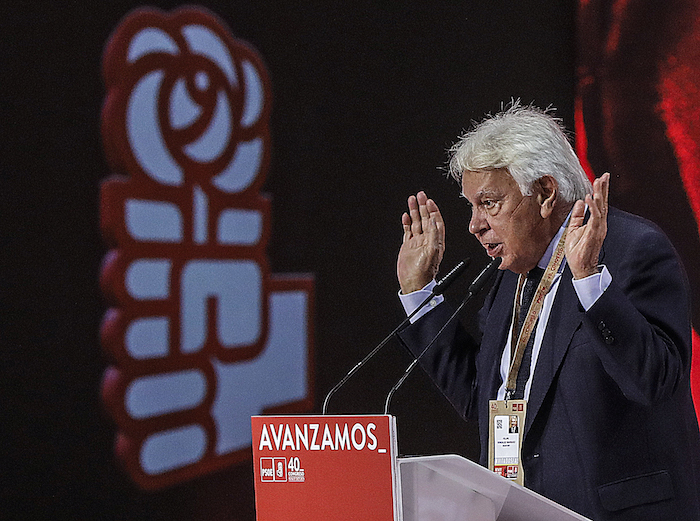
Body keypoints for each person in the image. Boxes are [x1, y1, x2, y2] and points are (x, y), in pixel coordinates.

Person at [396, 103, 700, 520]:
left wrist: (590, 282)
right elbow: (482, 394)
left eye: (489, 203)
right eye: (472, 206)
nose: (474, 224)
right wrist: (420, 294)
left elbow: (656, 380)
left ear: (544, 193)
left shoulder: (633, 250)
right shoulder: (512, 279)